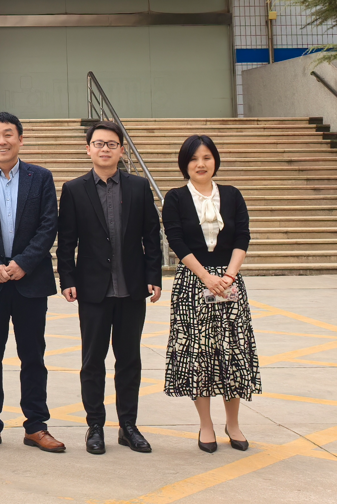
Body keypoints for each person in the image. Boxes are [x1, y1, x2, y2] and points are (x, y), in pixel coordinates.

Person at [0, 111, 65, 454]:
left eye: (8, 134)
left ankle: (36, 426)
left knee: (33, 355)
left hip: (30, 281)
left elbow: (49, 225)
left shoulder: (40, 177)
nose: (2, 141)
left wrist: (23, 263)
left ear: (20, 138)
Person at [57, 120, 163, 456]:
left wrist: (154, 275)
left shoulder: (138, 187)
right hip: (92, 291)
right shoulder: (74, 189)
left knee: (129, 360)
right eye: (99, 144)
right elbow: (66, 241)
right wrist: (67, 279)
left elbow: (151, 236)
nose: (105, 149)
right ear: (88, 149)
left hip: (132, 288)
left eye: (112, 144)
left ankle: (128, 426)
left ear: (121, 150)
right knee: (93, 361)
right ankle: (95, 426)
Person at [162, 134, 260, 453]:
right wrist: (206, 276)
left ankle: (233, 423)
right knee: (199, 355)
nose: (200, 164)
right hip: (193, 282)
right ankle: (206, 424)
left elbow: (242, 236)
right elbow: (176, 241)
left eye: (206, 157)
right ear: (184, 164)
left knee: (232, 350)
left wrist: (228, 276)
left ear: (215, 160)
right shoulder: (175, 198)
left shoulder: (232, 195)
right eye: (193, 159)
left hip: (229, 282)